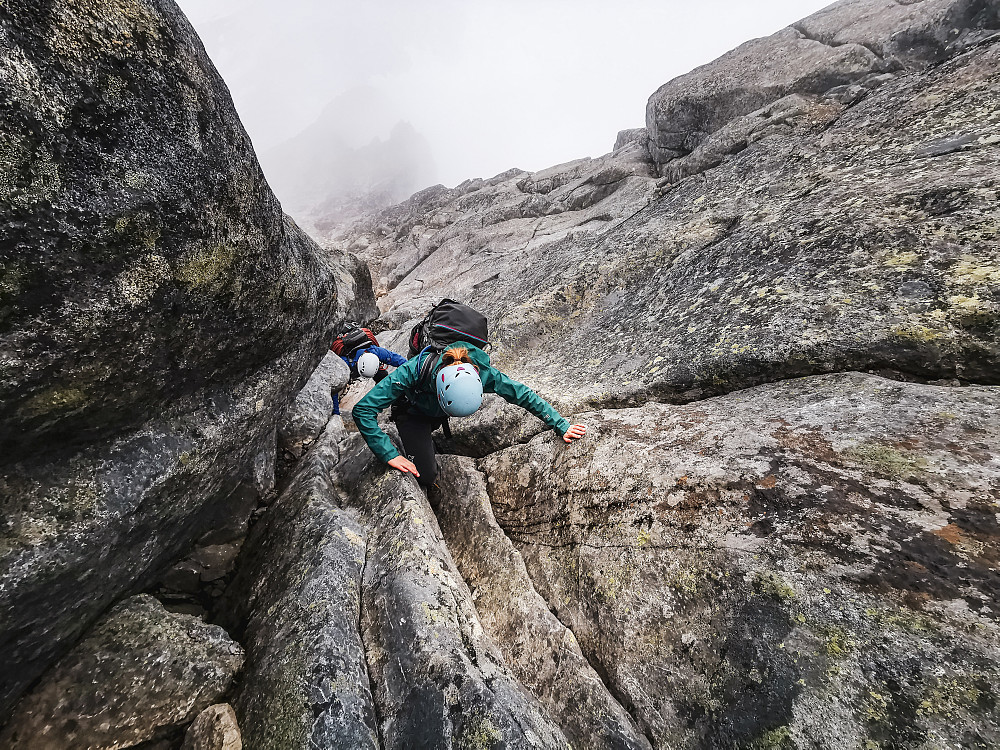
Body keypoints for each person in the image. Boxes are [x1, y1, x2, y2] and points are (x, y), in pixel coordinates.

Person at [352, 341, 586, 486]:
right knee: (425, 476)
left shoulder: (483, 373)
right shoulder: (414, 371)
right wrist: (389, 454)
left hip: (437, 413)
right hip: (413, 413)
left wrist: (561, 425)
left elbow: (523, 394)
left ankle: (430, 442)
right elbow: (362, 409)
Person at [332, 341, 408, 416]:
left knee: (383, 376)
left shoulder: (376, 352)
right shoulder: (344, 363)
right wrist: (336, 413)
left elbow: (402, 362)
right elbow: (335, 387)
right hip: (351, 366)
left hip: (369, 366)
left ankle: (398, 404)